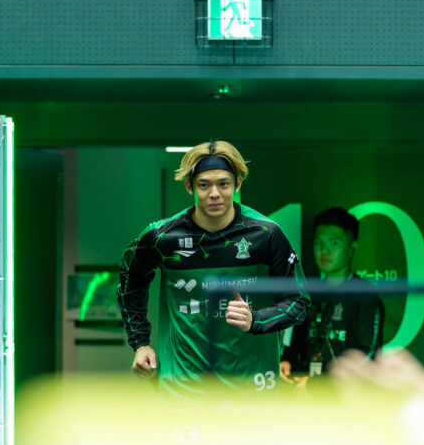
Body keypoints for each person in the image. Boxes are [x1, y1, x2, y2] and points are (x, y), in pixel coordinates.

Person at [117, 140, 309, 399]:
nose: (215, 193)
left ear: (237, 184)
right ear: (190, 187)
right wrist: (140, 343)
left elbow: (298, 302)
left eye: (224, 184)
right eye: (204, 185)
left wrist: (256, 320)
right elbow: (129, 281)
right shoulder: (162, 237)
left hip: (251, 387)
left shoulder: (266, 234)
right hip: (183, 386)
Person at [280, 207, 384, 382]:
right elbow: (298, 340)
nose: (324, 250)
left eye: (334, 243)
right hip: (304, 390)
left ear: (352, 247)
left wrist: (319, 383)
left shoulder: (365, 296)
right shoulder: (309, 291)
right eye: (319, 242)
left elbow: (368, 355)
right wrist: (288, 360)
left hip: (346, 394)